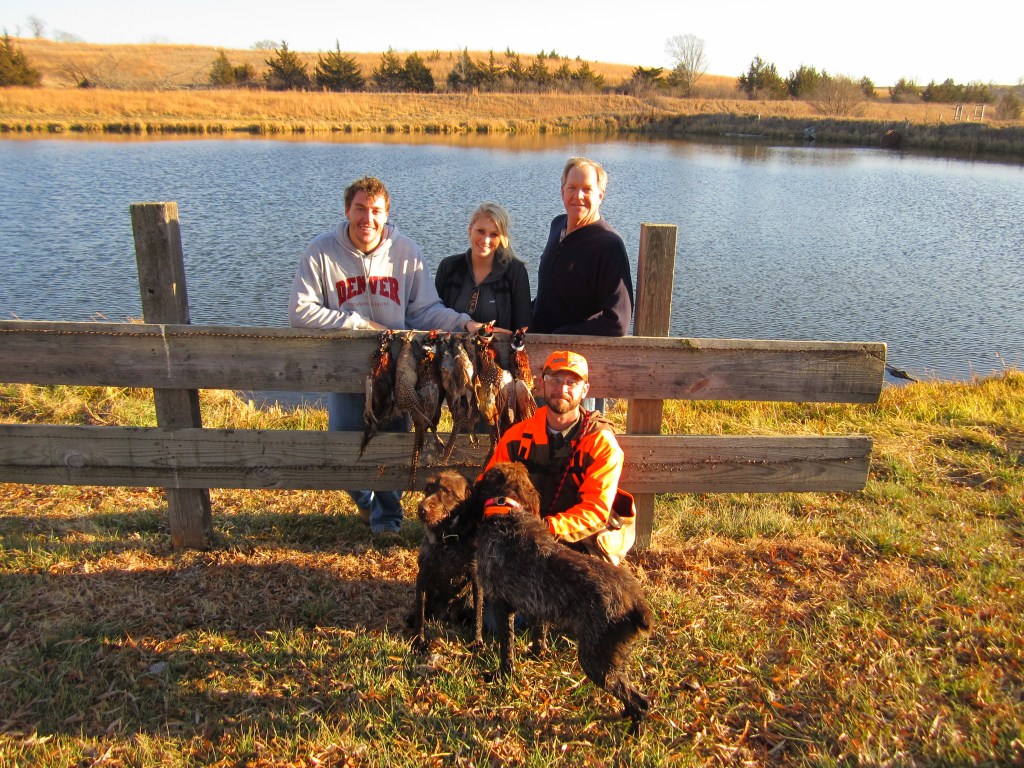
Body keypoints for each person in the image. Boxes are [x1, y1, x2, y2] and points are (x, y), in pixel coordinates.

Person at [289, 176, 484, 535]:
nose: (368, 218)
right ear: (347, 209)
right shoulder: (320, 251)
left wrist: (464, 323)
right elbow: (300, 311)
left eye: (376, 210)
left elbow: (425, 310)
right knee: (343, 448)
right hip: (346, 370)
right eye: (360, 209)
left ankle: (388, 522)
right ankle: (365, 502)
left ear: (386, 213)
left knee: (394, 446)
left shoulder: (405, 251)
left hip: (398, 370)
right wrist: (358, 322)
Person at [482, 350, 635, 565]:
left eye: (572, 382)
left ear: (585, 390)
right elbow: (487, 486)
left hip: (578, 537)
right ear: (542, 384)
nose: (561, 389)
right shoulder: (516, 436)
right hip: (522, 533)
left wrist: (543, 528)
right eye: (554, 379)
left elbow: (595, 511)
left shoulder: (600, 443)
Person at [530, 156, 634, 411]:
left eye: (587, 189)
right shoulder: (558, 225)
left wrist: (562, 335)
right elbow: (551, 293)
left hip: (576, 371)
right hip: (540, 361)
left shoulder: (608, 245)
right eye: (572, 188)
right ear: (562, 190)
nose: (579, 196)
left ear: (601, 195)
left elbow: (618, 321)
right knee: (537, 440)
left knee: (575, 444)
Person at [435, 202, 532, 333]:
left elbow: (523, 329)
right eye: (481, 231)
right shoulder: (448, 267)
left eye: (494, 234)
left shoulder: (516, 272)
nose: (486, 240)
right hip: (451, 350)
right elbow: (434, 316)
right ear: (470, 229)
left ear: (502, 238)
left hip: (499, 350)